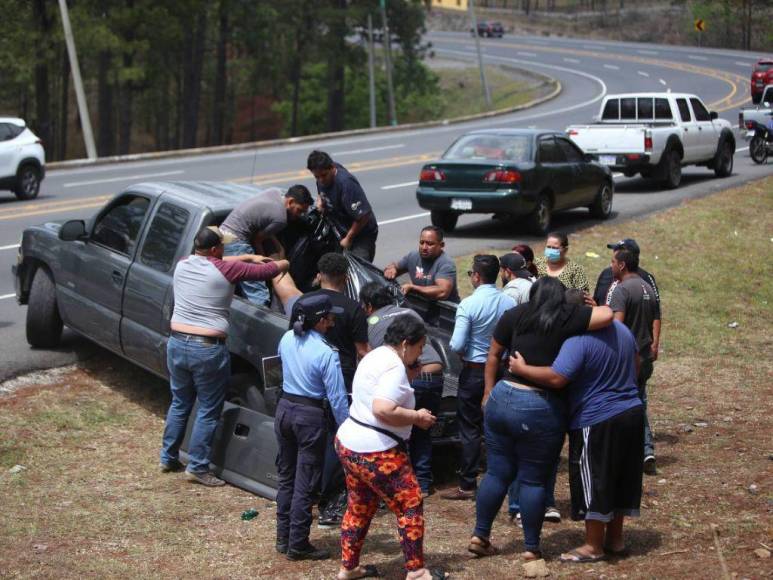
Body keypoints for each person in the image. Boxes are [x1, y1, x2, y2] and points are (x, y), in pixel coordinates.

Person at [469, 278, 613, 561]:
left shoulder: (515, 314)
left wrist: (487, 391)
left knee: (497, 472)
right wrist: (590, 305)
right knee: (534, 480)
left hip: (502, 397)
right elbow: (608, 315)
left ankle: (480, 535)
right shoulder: (566, 318)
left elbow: (493, 355)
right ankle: (531, 547)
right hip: (540, 404)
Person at [509, 288, 644, 563]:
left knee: (594, 479)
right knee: (621, 476)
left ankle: (593, 546)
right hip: (632, 411)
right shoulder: (622, 330)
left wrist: (522, 370)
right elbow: (637, 363)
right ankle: (615, 539)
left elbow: (557, 377)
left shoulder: (578, 340)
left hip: (596, 418)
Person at [160, 226, 288, 487]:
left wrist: (247, 257)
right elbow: (267, 271)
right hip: (207, 348)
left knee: (180, 402)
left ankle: (168, 456)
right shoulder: (227, 271)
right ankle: (197, 466)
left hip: (177, 343)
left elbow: (216, 262)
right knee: (209, 408)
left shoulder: (183, 264)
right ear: (216, 249)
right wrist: (283, 261)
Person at [335, 315, 445, 580]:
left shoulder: (374, 355)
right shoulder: (394, 366)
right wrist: (417, 417)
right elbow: (383, 408)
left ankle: (348, 567)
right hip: (377, 451)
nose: (421, 353)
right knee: (410, 503)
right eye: (420, 347)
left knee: (359, 506)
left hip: (349, 443)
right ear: (406, 344)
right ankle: (417, 572)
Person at [282, 253, 371, 528]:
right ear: (345, 278)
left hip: (300, 386)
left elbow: (292, 340)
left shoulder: (303, 304)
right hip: (339, 378)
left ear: (320, 275)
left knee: (301, 452)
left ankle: (299, 502)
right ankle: (328, 500)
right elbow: (362, 351)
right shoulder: (353, 308)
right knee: (337, 439)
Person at [275, 294, 350, 561]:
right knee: (305, 482)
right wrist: (346, 428)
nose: (332, 322)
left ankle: (283, 538)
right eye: (329, 317)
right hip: (309, 417)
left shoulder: (286, 339)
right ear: (319, 321)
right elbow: (338, 397)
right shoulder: (326, 352)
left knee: (286, 477)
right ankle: (298, 543)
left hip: (284, 409)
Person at [360, 282, 446, 497]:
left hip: (412, 376)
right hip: (435, 375)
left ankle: (400, 483)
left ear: (368, 306)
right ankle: (424, 484)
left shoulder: (370, 321)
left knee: (400, 430)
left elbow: (369, 355)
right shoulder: (409, 311)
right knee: (423, 430)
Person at [442, 255, 516, 500]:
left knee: (470, 427)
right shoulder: (508, 303)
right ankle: (503, 478)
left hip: (474, 371)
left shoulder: (469, 305)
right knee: (498, 425)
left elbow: (457, 343)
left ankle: (468, 483)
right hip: (503, 370)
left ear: (476, 276)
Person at [608, 247, 661, 475]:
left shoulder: (622, 290)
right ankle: (645, 450)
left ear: (622, 265)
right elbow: (656, 318)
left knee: (622, 406)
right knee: (638, 402)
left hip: (628, 360)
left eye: (612, 262)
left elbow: (617, 327)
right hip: (645, 356)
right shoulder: (646, 287)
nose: (610, 266)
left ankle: (626, 455)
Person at [220, 185, 313, 305]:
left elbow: (265, 228)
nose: (300, 215)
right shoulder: (281, 219)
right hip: (236, 243)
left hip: (223, 235)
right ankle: (260, 320)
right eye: (299, 210)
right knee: (258, 293)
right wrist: (266, 268)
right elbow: (258, 240)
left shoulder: (274, 192)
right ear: (290, 201)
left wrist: (279, 247)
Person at [307, 150, 379, 261]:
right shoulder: (322, 177)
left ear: (332, 168)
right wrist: (321, 200)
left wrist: (349, 238)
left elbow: (364, 216)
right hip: (341, 230)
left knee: (358, 269)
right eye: (317, 177)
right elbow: (321, 191)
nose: (321, 180)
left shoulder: (346, 184)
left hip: (361, 233)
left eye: (323, 175)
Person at [384, 226, 460, 324]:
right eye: (422, 242)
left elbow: (442, 292)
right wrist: (391, 269)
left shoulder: (446, 263)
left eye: (430, 244)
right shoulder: (413, 256)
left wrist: (413, 287)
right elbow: (395, 267)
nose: (424, 247)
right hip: (421, 310)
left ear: (441, 245)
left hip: (445, 316)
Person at [593, 238, 661, 309]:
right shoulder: (606, 273)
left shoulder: (646, 278)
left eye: (619, 251)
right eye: (615, 250)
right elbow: (596, 301)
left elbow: (655, 312)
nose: (615, 253)